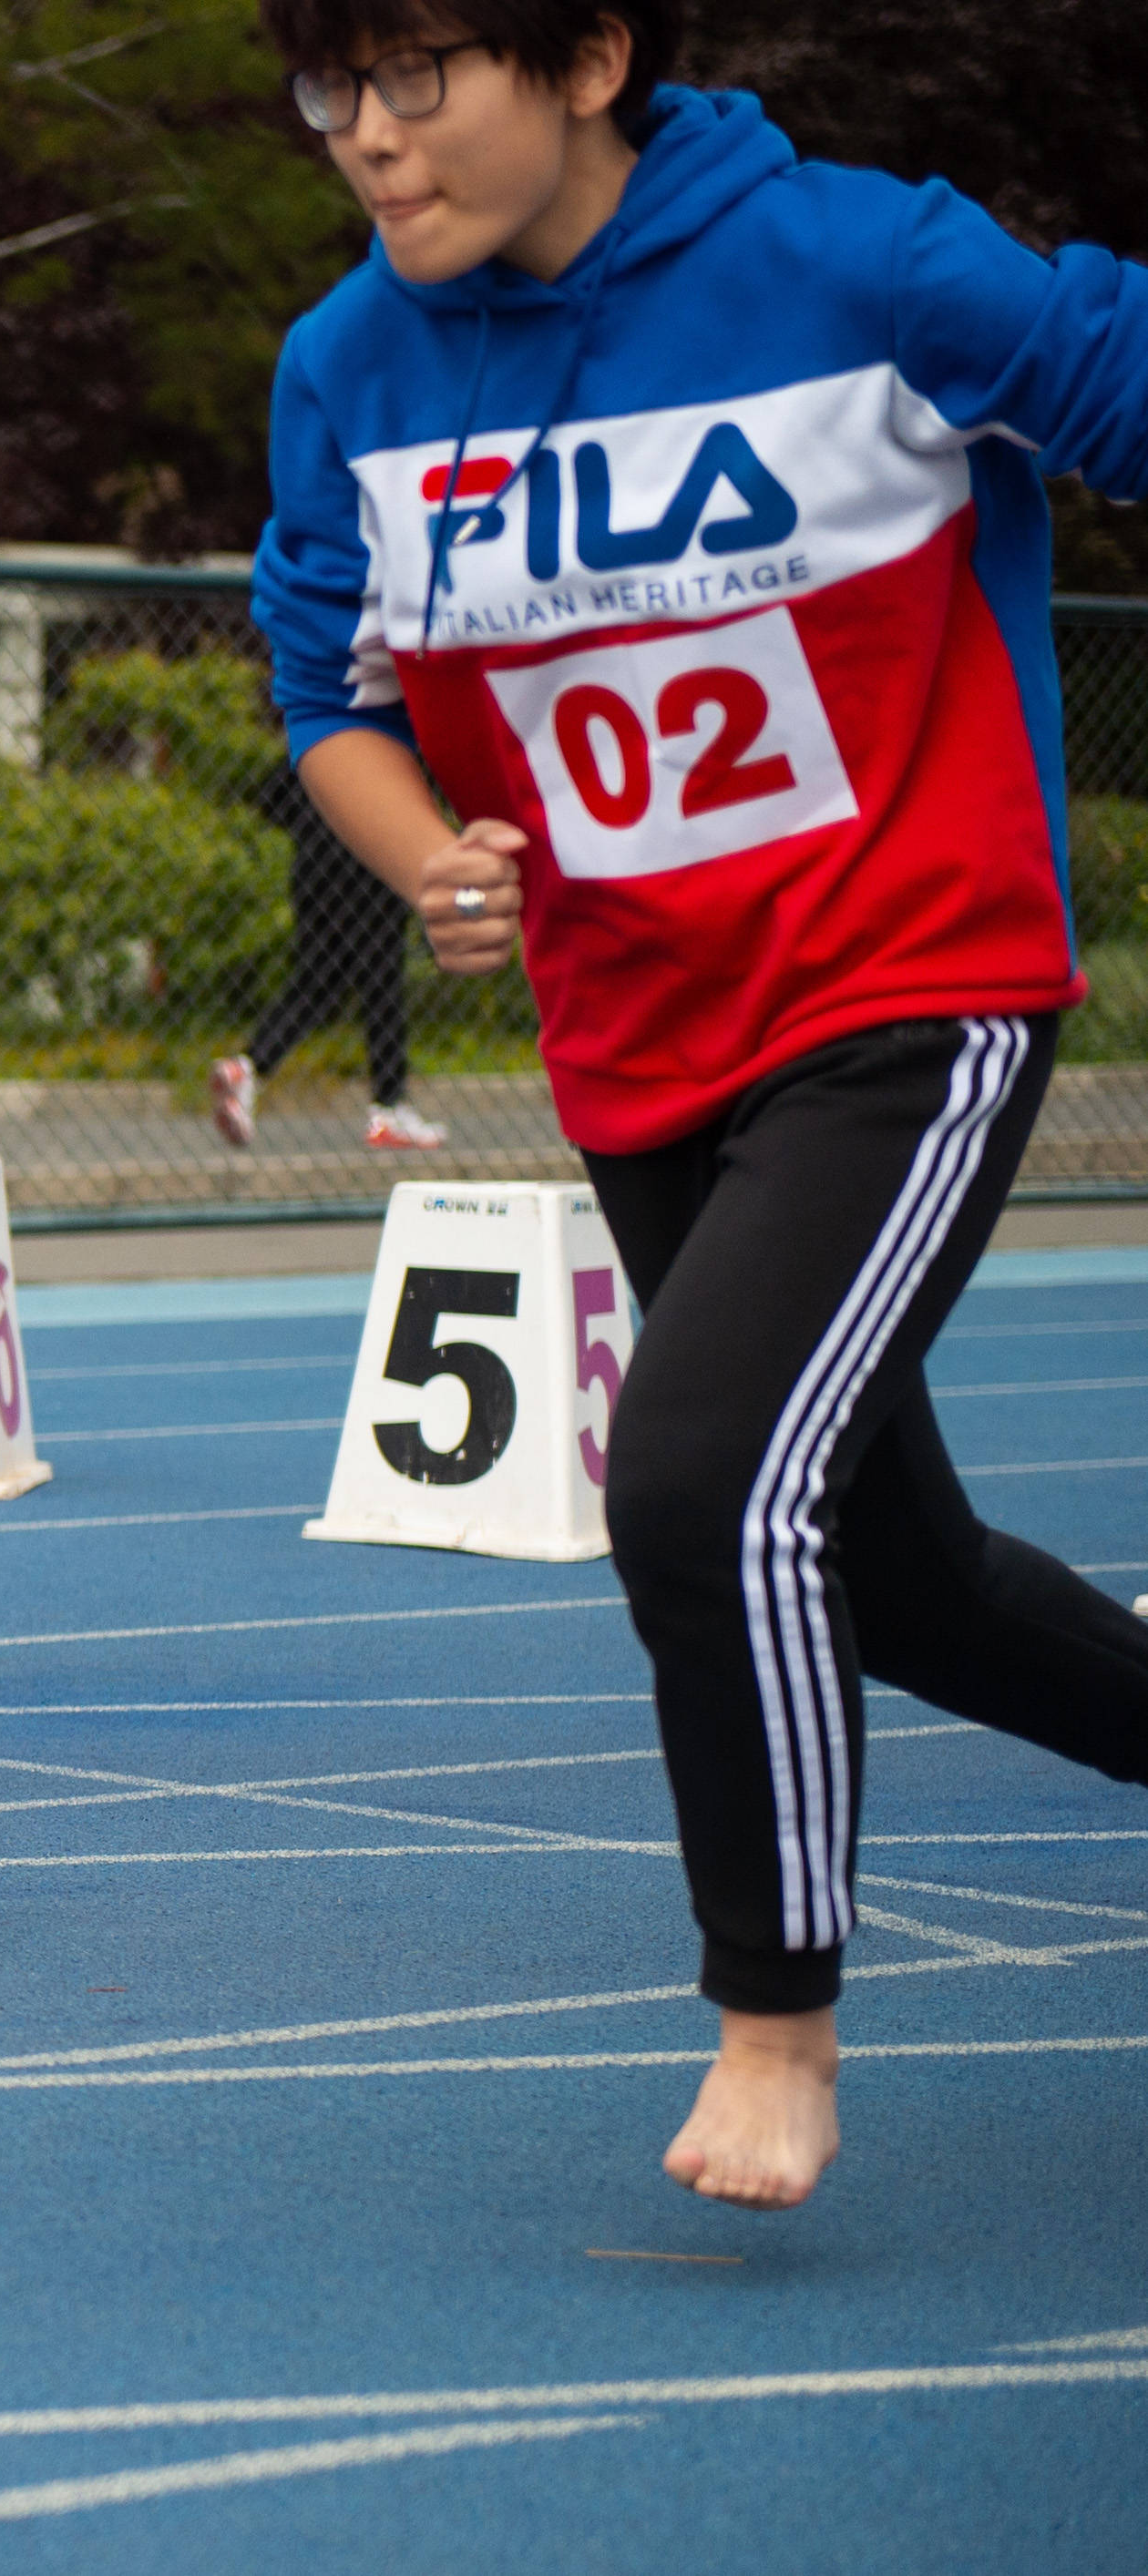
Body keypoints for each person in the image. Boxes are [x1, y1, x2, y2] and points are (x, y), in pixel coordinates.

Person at [251, 0, 1148, 2208]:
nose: (365, 138)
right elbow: (322, 688)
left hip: (907, 982)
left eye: (412, 76)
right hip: (644, 1035)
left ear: (579, 60)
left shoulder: (863, 267)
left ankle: (773, 2023)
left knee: (697, 1478)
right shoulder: (345, 371)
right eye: (323, 90)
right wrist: (424, 854)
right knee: (896, 1575)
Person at [210, 762, 448, 1152]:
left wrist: (316, 827)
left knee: (318, 981)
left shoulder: (320, 723)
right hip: (370, 862)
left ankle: (248, 1066)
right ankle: (388, 1107)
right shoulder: (388, 728)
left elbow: (271, 795)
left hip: (314, 863)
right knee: (382, 980)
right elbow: (424, 789)